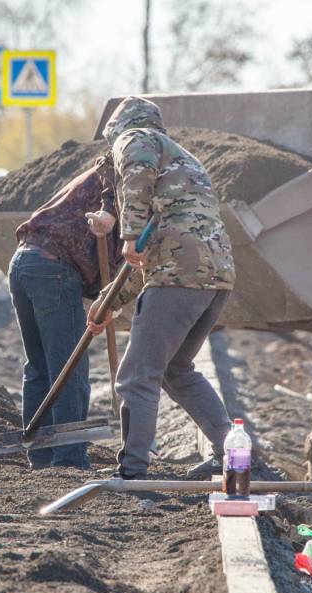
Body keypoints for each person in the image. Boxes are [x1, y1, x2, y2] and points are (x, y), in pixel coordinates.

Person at [86, 96, 235, 480]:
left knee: (137, 375)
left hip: (179, 275)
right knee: (176, 370)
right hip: (213, 277)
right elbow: (154, 257)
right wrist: (108, 303)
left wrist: (129, 233)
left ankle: (133, 470)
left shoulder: (136, 137)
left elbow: (136, 175)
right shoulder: (182, 167)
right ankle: (232, 456)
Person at [9, 157, 122, 469]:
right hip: (52, 270)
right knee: (68, 368)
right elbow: (109, 222)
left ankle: (41, 456)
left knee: (41, 368)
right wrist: (109, 298)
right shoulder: (120, 179)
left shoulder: (101, 174)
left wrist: (108, 300)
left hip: (24, 261)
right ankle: (69, 457)